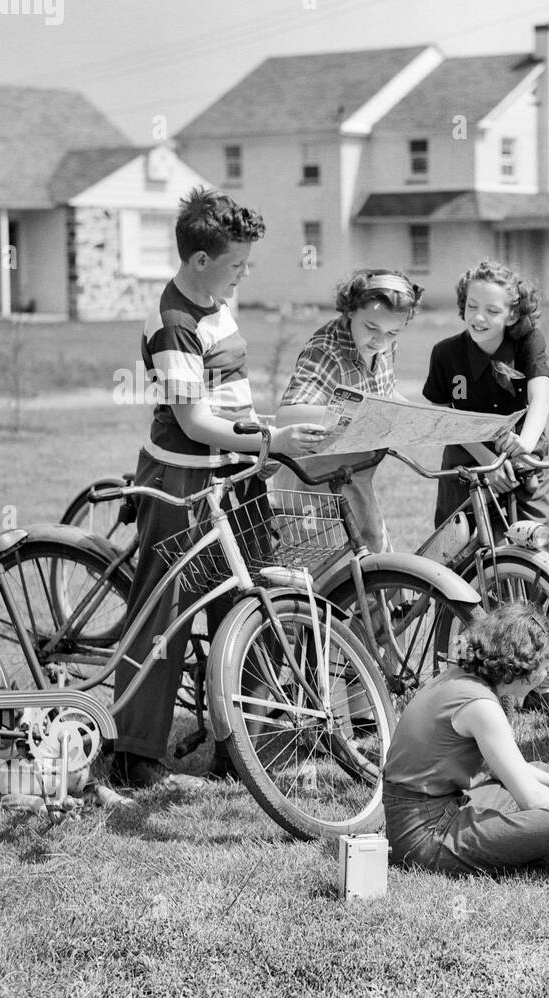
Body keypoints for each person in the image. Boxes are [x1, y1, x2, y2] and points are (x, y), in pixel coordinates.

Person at [110, 188, 331, 789]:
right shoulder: (174, 321)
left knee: (252, 598)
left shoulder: (214, 300)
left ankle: (244, 748)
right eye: (237, 263)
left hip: (234, 472)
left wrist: (267, 432)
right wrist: (272, 444)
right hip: (185, 478)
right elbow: (193, 423)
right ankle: (136, 754)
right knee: (168, 613)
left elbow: (227, 400)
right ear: (201, 259)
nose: (244, 274)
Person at [383, 603, 549, 878]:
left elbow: (510, 768)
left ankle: (536, 850)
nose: (546, 674)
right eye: (546, 665)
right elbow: (531, 798)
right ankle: (545, 862)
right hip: (425, 833)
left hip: (438, 805)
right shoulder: (481, 706)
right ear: (528, 666)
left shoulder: (461, 677)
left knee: (546, 774)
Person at [272, 268, 423, 552]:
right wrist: (362, 411)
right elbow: (288, 414)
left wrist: (415, 417)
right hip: (311, 481)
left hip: (354, 474)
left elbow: (386, 395)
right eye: (371, 328)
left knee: (376, 559)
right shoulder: (324, 350)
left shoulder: (383, 344)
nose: (380, 340)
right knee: (328, 575)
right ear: (351, 310)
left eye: (392, 332)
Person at [422, 259, 549, 532]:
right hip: (465, 472)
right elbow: (445, 418)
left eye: (492, 310)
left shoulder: (529, 342)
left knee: (537, 553)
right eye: (472, 306)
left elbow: (540, 397)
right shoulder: (445, 354)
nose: (479, 317)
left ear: (512, 315)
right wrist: (487, 460)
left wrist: (524, 445)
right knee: (457, 559)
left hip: (524, 468)